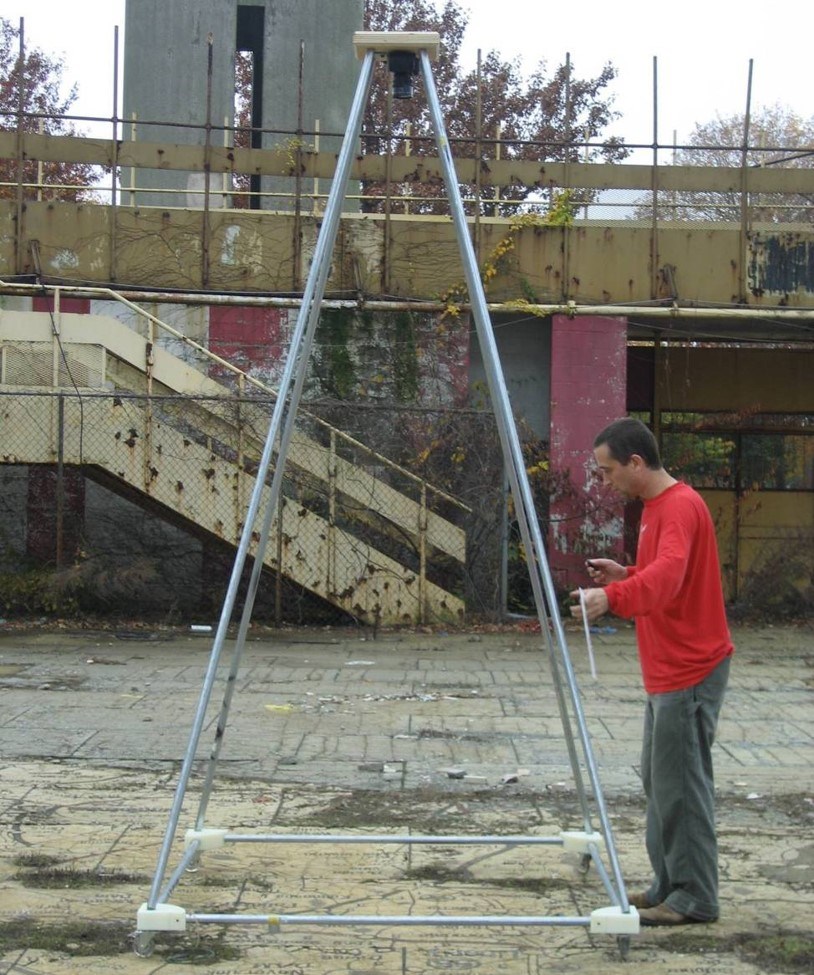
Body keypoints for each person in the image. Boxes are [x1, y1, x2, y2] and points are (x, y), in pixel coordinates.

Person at [570, 417, 733, 927]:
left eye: (609, 469)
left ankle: (694, 897)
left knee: (681, 785)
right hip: (668, 670)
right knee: (660, 782)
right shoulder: (656, 507)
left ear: (637, 462)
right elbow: (665, 576)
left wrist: (613, 596)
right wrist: (628, 575)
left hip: (689, 668)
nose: (606, 480)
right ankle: (669, 883)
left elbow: (668, 578)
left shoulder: (679, 506)